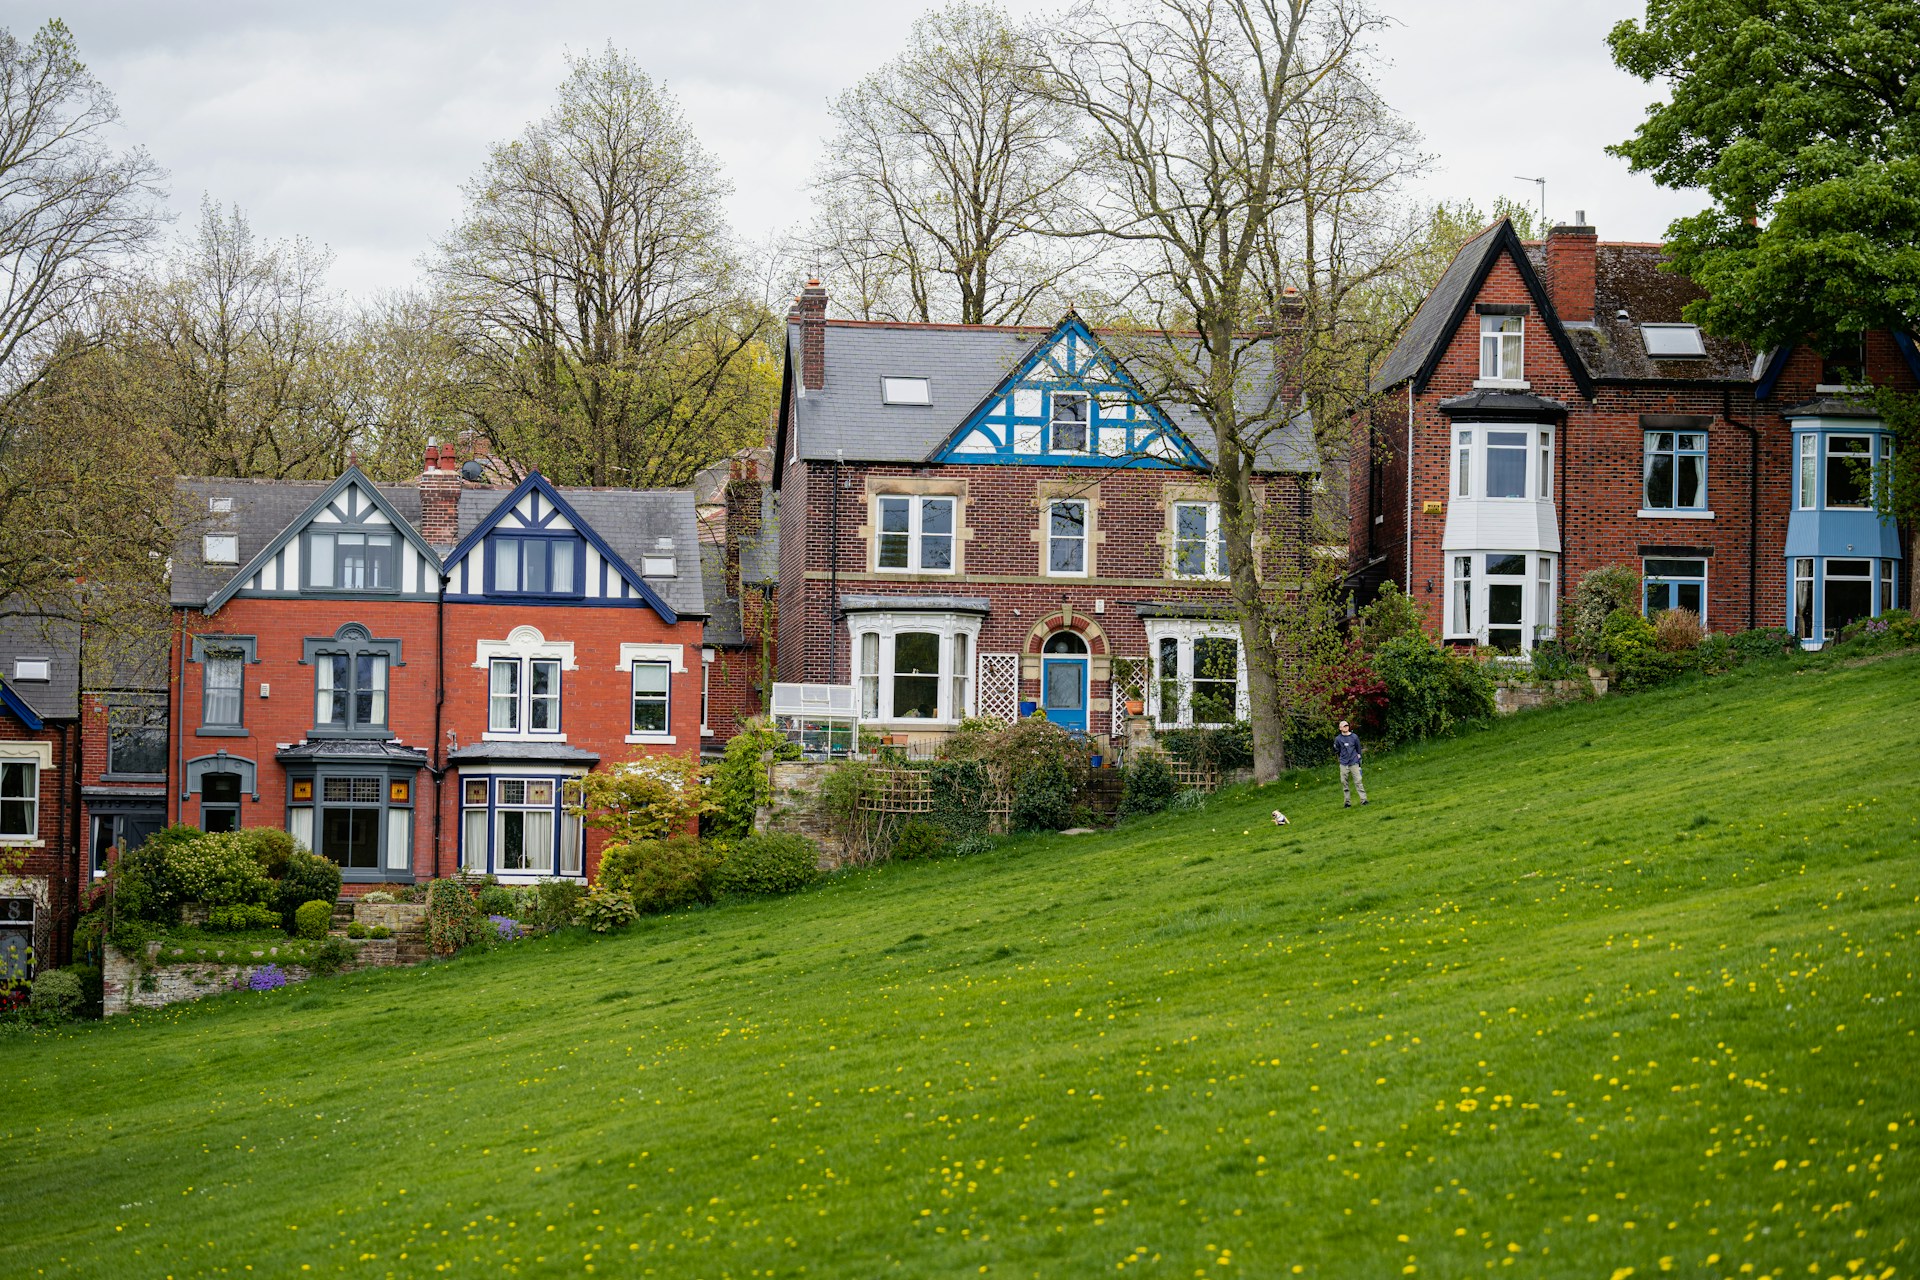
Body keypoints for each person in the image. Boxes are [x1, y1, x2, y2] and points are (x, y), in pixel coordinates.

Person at [1334, 719, 1366, 807]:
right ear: (1340, 728)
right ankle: (1347, 802)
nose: (1346, 727)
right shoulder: (1338, 739)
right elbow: (1337, 750)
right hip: (1344, 764)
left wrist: (1358, 757)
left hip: (1354, 762)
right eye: (1344, 726)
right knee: (1344, 782)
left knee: (1358, 781)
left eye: (1347, 725)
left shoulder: (1354, 737)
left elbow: (1358, 748)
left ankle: (1363, 800)